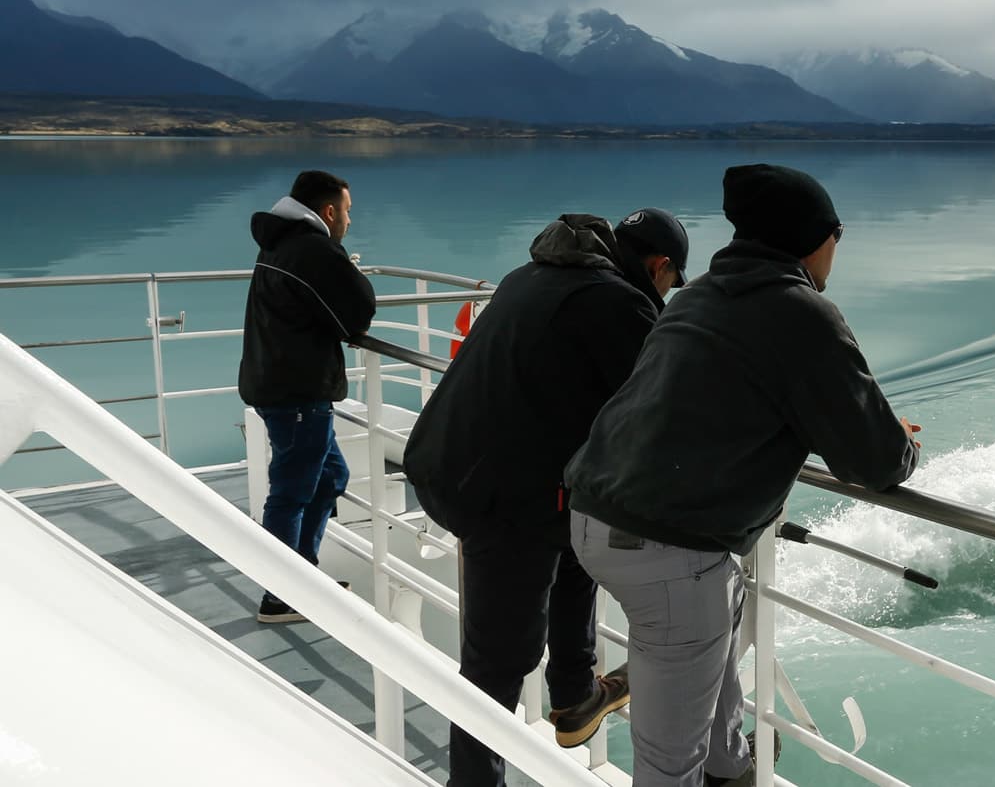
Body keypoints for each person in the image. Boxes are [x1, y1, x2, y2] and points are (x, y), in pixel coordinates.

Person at [565, 163, 922, 787]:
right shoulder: (801, 312)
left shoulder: (698, 294)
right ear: (815, 238)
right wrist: (901, 444)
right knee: (668, 764)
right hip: (669, 547)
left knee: (712, 640)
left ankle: (733, 769)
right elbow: (874, 461)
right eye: (839, 234)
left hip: (596, 515)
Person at [404, 208, 690, 787]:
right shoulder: (620, 306)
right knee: (498, 663)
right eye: (671, 283)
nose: (666, 294)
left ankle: (575, 694)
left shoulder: (531, 275)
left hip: (448, 459)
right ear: (660, 267)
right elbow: (657, 410)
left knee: (579, 536)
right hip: (497, 494)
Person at [238, 169, 376, 624]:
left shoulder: (279, 242)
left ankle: (304, 576)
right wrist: (349, 270)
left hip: (280, 383)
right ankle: (280, 596)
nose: (350, 222)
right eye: (348, 212)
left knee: (330, 476)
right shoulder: (312, 249)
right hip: (296, 391)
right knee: (292, 491)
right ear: (329, 210)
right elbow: (358, 308)